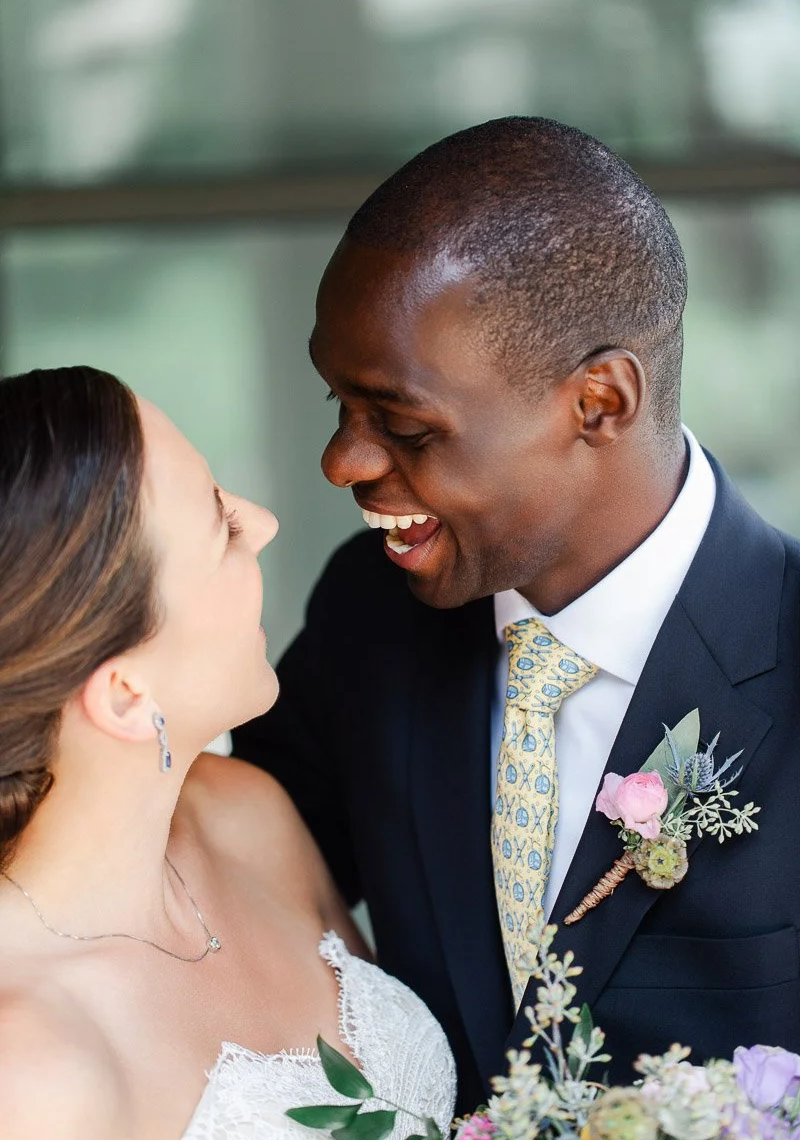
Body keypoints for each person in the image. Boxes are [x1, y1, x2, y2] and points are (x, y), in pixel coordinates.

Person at [234, 116, 800, 1114]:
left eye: (401, 425)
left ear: (598, 401)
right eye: (338, 407)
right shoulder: (367, 618)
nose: (343, 463)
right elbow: (221, 892)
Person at [0, 367, 456, 1140]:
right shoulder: (28, 1073)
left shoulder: (248, 815)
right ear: (124, 695)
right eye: (221, 528)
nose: (266, 523)